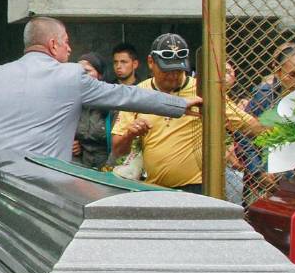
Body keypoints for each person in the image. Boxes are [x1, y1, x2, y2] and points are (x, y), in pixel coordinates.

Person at [0, 17, 201, 163]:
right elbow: (124, 95)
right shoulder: (71, 76)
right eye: (66, 42)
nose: (69, 48)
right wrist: (178, 104)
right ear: (53, 44)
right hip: (41, 186)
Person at [112, 34, 262, 192]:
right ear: (151, 62)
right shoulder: (137, 93)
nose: (173, 76)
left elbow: (251, 126)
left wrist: (276, 128)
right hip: (155, 187)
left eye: (179, 70)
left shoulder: (204, 91)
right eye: (167, 70)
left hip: (197, 186)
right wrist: (130, 134)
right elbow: (118, 150)